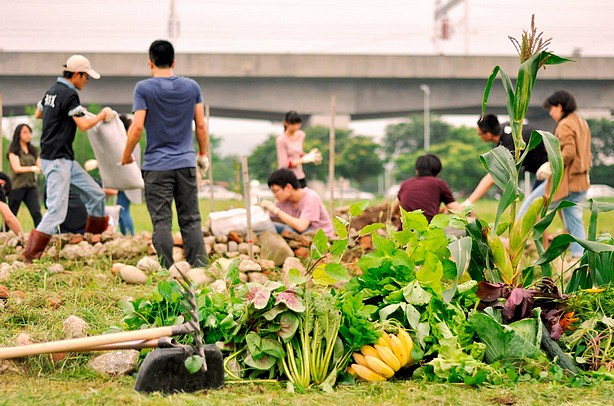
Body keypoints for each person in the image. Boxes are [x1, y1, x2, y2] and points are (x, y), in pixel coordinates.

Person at [121, 40, 208, 268]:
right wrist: (203, 155)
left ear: (150, 62)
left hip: (157, 166)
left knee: (161, 221)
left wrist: (126, 154)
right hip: (186, 163)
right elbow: (200, 126)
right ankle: (199, 268)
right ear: (174, 61)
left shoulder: (144, 88)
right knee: (190, 219)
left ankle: (166, 271)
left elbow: (137, 127)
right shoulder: (192, 87)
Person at [25, 54, 111, 262]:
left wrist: (61, 116)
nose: (86, 81)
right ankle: (30, 256)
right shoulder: (70, 95)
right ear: (76, 75)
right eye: (86, 77)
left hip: (64, 159)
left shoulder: (51, 92)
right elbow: (82, 126)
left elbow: (38, 114)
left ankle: (93, 240)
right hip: (56, 160)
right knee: (56, 211)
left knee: (97, 194)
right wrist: (101, 116)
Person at [463, 114, 549, 216]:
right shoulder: (505, 128)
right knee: (536, 206)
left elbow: (493, 176)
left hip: (551, 171)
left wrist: (469, 201)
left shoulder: (510, 144)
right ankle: (546, 232)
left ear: (488, 134)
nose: (479, 136)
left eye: (479, 134)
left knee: (528, 210)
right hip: (541, 174)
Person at [543, 90, 592, 259]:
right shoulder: (581, 122)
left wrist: (552, 165)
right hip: (582, 178)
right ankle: (578, 253)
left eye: (552, 108)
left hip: (570, 181)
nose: (550, 112)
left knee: (572, 219)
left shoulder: (565, 124)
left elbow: (569, 151)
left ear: (560, 106)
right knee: (572, 217)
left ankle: (578, 255)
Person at [260, 168, 334, 237]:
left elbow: (301, 226)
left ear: (288, 187)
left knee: (286, 229)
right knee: (269, 226)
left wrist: (277, 211)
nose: (274, 195)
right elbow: (270, 218)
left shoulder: (311, 197)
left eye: (276, 191)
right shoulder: (282, 200)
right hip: (301, 233)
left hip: (320, 235)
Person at [391, 154, 462, 225]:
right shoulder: (439, 184)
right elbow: (457, 211)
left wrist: (400, 217)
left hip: (405, 232)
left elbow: (394, 209)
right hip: (428, 232)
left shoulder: (405, 184)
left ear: (417, 170)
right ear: (438, 171)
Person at [7, 123, 43, 227]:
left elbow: (39, 165)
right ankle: (3, 235)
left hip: (31, 187)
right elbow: (16, 168)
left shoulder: (33, 150)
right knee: (11, 214)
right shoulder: (13, 151)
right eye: (25, 132)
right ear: (18, 134)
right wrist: (32, 168)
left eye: (29, 132)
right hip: (16, 187)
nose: (28, 135)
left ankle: (40, 237)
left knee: (36, 213)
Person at [275, 111, 322, 188]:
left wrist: (310, 156)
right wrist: (303, 160)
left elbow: (298, 153)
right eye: (292, 124)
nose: (295, 126)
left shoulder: (301, 135)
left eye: (297, 124)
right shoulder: (281, 140)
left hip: (299, 175)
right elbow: (284, 164)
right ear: (286, 123)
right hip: (287, 177)